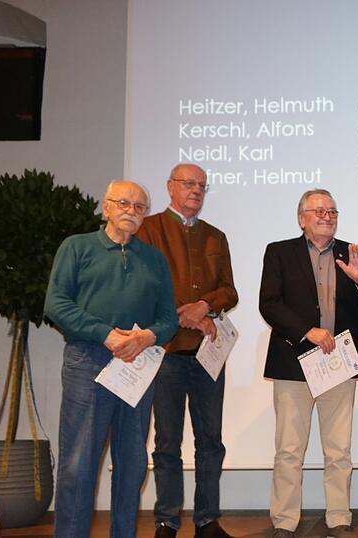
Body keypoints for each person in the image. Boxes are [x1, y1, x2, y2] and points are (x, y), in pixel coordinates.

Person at [44, 180, 178, 538]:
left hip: (137, 366)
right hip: (88, 362)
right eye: (123, 203)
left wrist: (147, 336)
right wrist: (105, 333)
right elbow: (56, 304)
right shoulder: (77, 248)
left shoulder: (154, 258)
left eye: (139, 207)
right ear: (106, 207)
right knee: (78, 465)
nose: (131, 211)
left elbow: (168, 319)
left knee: (132, 465)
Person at [135, 163, 239, 538]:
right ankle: (166, 520)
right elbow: (146, 285)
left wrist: (207, 306)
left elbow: (230, 291)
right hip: (164, 353)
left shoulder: (216, 236)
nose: (196, 190)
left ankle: (207, 520)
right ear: (170, 187)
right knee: (166, 443)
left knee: (210, 441)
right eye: (188, 183)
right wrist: (190, 313)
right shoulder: (148, 230)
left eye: (202, 185)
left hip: (208, 354)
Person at [258, 189, 358, 538]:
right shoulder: (279, 252)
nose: (326, 215)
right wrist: (307, 331)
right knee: (289, 449)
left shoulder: (351, 254)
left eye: (332, 210)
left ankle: (339, 518)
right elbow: (269, 303)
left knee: (339, 449)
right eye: (318, 210)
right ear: (301, 218)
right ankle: (285, 521)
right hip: (294, 363)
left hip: (339, 363)